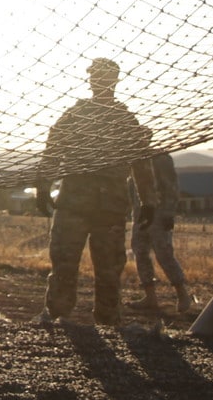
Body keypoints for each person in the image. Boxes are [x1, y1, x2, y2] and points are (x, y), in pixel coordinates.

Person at [35, 58, 155, 326]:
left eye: (101, 76)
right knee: (72, 265)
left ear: (112, 80)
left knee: (106, 269)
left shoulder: (113, 118)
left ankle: (99, 321)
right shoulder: (110, 118)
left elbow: (140, 162)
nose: (97, 81)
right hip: (85, 206)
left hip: (95, 207)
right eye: (95, 76)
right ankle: (61, 316)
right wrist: (42, 187)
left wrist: (149, 201)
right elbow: (52, 152)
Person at [130, 150, 194, 314]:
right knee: (140, 251)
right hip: (141, 213)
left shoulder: (161, 158)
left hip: (159, 212)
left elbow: (171, 187)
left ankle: (182, 294)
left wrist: (168, 212)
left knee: (164, 253)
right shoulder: (134, 156)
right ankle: (150, 297)